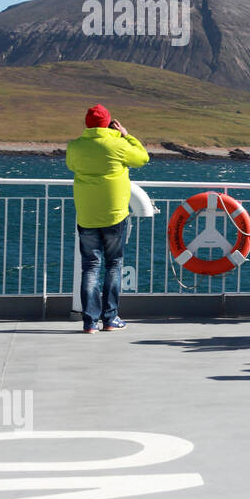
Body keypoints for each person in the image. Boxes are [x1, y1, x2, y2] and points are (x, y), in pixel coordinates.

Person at [65, 105, 150, 333]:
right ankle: (110, 319)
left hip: (87, 215)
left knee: (90, 267)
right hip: (114, 214)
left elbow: (71, 165)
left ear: (87, 123)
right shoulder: (119, 145)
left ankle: (90, 322)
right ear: (108, 123)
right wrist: (126, 135)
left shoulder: (75, 146)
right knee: (113, 264)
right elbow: (142, 158)